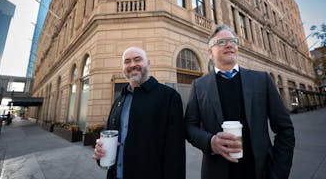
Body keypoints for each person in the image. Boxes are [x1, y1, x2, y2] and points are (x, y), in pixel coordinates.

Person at [185, 25, 295, 179]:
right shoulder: (199, 86)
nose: (229, 44)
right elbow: (189, 126)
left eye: (232, 41)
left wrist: (278, 173)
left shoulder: (261, 80)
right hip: (217, 172)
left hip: (260, 172)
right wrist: (210, 142)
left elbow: (285, 130)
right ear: (210, 52)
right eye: (221, 42)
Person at [93, 47, 185, 179]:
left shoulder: (169, 97)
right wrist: (100, 153)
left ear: (148, 63)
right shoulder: (119, 100)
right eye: (127, 61)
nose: (132, 65)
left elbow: (176, 153)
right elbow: (110, 139)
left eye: (137, 59)